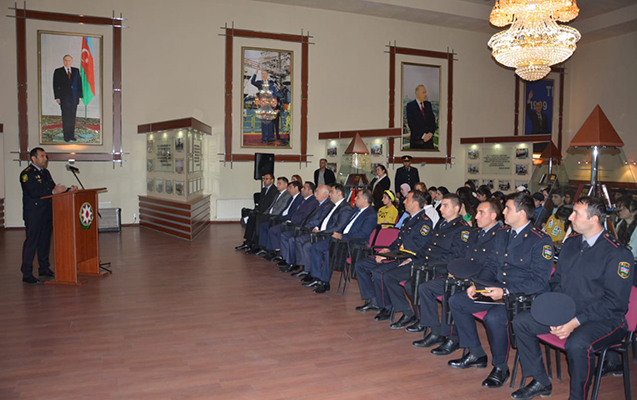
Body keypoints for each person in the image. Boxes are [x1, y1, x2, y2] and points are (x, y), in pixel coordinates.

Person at [511, 196, 633, 400]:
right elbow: (557, 281)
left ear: (594, 219)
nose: (570, 217)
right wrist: (557, 312)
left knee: (577, 343)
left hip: (605, 319)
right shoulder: (571, 243)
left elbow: (614, 303)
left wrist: (575, 322)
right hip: (569, 311)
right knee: (521, 322)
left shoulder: (617, 253)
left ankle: (578, 397)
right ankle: (541, 381)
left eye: (576, 213)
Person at [447, 192, 553, 389]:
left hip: (520, 297)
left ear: (522, 213)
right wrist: (478, 285)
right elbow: (491, 265)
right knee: (457, 301)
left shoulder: (540, 240)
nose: (503, 212)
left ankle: (500, 368)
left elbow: (539, 282)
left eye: (508, 209)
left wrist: (505, 292)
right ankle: (476, 353)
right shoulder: (503, 234)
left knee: (494, 318)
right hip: (496, 290)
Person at [410, 199, 502, 356]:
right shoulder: (475, 233)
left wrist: (468, 279)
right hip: (464, 276)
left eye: (481, 213)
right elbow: (464, 256)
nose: (476, 217)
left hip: (481, 281)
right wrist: (456, 270)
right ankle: (436, 332)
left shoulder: (500, 236)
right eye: (477, 212)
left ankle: (453, 337)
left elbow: (492, 266)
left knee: (452, 292)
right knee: (426, 288)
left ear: (493, 216)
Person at [382, 193, 470, 329]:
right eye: (441, 205)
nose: (441, 209)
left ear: (456, 208)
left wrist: (426, 264)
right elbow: (428, 246)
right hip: (424, 263)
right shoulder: (441, 223)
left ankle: (425, 321)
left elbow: (454, 256)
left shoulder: (462, 228)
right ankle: (408, 313)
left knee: (412, 285)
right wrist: (411, 259)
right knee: (390, 276)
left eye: (445, 206)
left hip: (439, 267)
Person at [354, 190, 433, 313]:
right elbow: (399, 241)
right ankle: (373, 300)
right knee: (361, 265)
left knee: (378, 272)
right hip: (397, 255)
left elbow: (415, 247)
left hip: (408, 258)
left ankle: (387, 306)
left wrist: (389, 256)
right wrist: (388, 249)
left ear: (415, 203)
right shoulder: (408, 220)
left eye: (407, 199)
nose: (404, 202)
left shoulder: (424, 222)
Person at [20, 147, 77, 284]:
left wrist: (68, 190)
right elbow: (34, 192)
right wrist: (53, 191)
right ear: (33, 158)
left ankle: (44, 268)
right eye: (42, 156)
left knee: (45, 242)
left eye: (45, 156)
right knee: (31, 242)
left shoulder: (45, 173)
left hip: (46, 213)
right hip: (34, 214)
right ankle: (27, 273)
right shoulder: (26, 174)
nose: (45, 159)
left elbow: (53, 189)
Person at [305, 190, 377, 293]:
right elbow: (344, 225)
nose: (355, 198)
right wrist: (337, 233)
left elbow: (362, 234)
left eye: (357, 197)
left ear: (365, 200)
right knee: (316, 246)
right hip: (340, 240)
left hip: (353, 243)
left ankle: (325, 282)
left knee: (330, 252)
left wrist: (342, 236)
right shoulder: (355, 210)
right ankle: (317, 277)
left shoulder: (371, 215)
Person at [296, 185, 353, 279]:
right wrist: (317, 227)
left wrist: (322, 231)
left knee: (309, 245)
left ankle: (314, 275)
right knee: (301, 240)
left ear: (339, 193)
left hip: (331, 236)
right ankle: (309, 271)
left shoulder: (345, 208)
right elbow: (323, 220)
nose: (329, 194)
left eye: (332, 192)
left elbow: (338, 227)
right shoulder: (333, 205)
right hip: (322, 233)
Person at [278, 185, 333, 274]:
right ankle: (293, 263)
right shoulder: (318, 204)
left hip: (313, 231)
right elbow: (308, 217)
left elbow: (319, 220)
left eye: (317, 192)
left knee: (295, 239)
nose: (315, 194)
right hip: (306, 228)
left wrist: (306, 227)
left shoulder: (328, 205)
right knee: (288, 237)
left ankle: (305, 268)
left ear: (325, 194)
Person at [268, 182, 319, 264]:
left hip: (298, 225)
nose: (301, 189)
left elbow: (304, 216)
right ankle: (283, 257)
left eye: (304, 188)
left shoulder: (312, 201)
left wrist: (291, 221)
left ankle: (287, 260)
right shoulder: (303, 200)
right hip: (293, 222)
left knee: (285, 235)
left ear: (310, 191)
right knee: (276, 229)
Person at [236, 173, 277, 250]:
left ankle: (254, 243)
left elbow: (270, 205)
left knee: (255, 218)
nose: (264, 181)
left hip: (266, 213)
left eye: (267, 179)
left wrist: (261, 212)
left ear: (272, 180)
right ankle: (248, 242)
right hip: (260, 211)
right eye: (264, 179)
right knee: (251, 215)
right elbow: (261, 203)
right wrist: (256, 210)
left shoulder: (274, 191)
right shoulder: (264, 190)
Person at [53, 55, 83, 142]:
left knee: (72, 117)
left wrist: (80, 96)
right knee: (66, 117)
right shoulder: (58, 71)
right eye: (66, 60)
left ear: (72, 61)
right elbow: (55, 85)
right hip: (64, 98)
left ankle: (71, 135)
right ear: (63, 61)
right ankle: (66, 136)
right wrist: (57, 97)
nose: (67, 62)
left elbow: (79, 84)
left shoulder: (76, 71)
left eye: (69, 60)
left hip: (74, 98)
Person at [251, 67, 278, 143]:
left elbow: (274, 94)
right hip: (263, 105)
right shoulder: (259, 83)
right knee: (264, 122)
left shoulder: (271, 84)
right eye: (262, 74)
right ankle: (264, 138)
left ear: (267, 75)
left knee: (270, 122)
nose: (264, 75)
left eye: (265, 74)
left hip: (270, 105)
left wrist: (275, 103)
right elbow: (252, 82)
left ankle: (271, 137)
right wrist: (255, 72)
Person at [406, 84, 437, 149]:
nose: (426, 95)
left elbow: (432, 121)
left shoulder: (428, 105)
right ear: (417, 93)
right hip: (417, 143)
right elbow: (411, 124)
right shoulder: (410, 106)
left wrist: (430, 133)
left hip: (429, 143)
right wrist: (423, 136)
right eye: (423, 92)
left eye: (426, 92)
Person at [616, 196, 637, 261]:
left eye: (624, 208)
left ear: (634, 212)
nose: (620, 211)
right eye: (619, 208)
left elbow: (634, 252)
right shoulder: (620, 224)